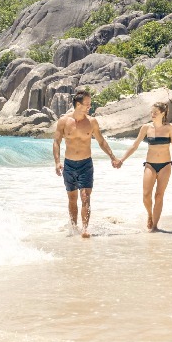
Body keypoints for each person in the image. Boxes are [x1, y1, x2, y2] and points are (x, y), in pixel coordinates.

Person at [53, 90, 121, 238]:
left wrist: (112, 157)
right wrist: (57, 162)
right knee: (72, 198)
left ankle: (84, 229)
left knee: (85, 197)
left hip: (86, 165)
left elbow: (101, 141)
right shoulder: (64, 121)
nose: (89, 107)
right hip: (69, 165)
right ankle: (73, 227)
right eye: (87, 104)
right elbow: (56, 142)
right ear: (78, 105)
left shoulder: (91, 122)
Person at [119, 102, 172, 232]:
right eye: (151, 112)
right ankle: (149, 214)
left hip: (165, 165)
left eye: (155, 113)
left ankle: (154, 226)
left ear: (163, 113)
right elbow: (135, 145)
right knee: (146, 195)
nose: (152, 115)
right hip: (150, 165)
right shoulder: (146, 128)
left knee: (159, 195)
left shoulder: (170, 127)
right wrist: (122, 159)